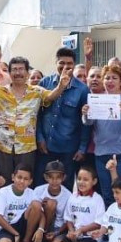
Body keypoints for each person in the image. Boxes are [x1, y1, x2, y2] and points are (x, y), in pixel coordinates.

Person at [0, 57, 71, 178]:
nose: (18, 73)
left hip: (26, 148)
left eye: (21, 69)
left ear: (27, 73)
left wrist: (61, 86)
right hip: (3, 147)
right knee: (3, 182)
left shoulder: (36, 92)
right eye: (14, 69)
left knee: (25, 182)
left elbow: (50, 97)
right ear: (9, 73)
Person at [82, 64, 121, 203]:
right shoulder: (96, 99)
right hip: (102, 155)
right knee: (108, 195)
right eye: (107, 78)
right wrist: (85, 114)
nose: (110, 81)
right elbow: (89, 123)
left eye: (114, 78)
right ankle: (111, 224)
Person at [36, 47, 89, 183]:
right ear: (56, 63)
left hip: (69, 149)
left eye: (69, 64)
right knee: (42, 185)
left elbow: (85, 121)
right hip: (45, 146)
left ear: (74, 65)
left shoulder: (82, 90)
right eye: (62, 63)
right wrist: (40, 138)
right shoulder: (44, 83)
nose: (65, 67)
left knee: (65, 186)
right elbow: (37, 115)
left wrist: (82, 148)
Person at [53, 167, 105, 242]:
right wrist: (72, 231)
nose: (81, 182)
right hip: (76, 235)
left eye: (86, 180)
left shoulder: (97, 199)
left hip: (90, 237)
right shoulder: (73, 196)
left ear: (94, 181)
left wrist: (81, 230)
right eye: (79, 179)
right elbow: (69, 219)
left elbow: (98, 223)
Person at [0, 166, 41, 242]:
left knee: (36, 204)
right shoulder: (3, 192)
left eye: (26, 179)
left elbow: (41, 213)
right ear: (13, 177)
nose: (22, 181)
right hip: (6, 227)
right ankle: (1, 241)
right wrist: (15, 234)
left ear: (30, 181)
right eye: (19, 177)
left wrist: (41, 229)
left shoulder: (32, 193)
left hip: (23, 225)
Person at [33, 160, 70, 242]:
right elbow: (34, 211)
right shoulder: (38, 190)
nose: (54, 181)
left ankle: (47, 239)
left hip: (58, 229)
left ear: (63, 177)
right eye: (51, 177)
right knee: (50, 204)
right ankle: (42, 237)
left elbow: (68, 220)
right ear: (46, 177)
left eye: (58, 177)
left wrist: (57, 233)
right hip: (41, 226)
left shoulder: (69, 195)